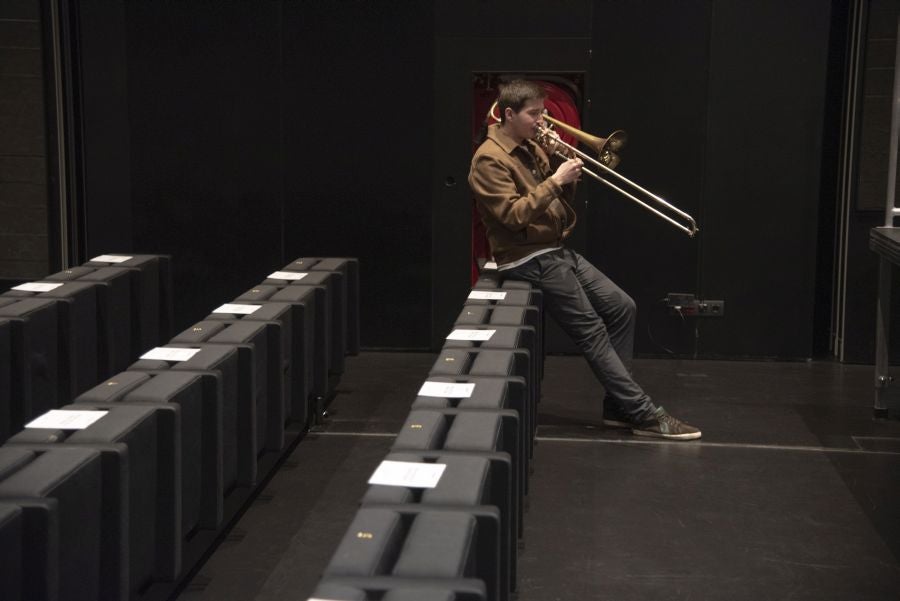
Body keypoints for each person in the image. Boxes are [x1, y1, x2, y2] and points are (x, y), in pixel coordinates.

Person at [468, 79, 701, 441]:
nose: (541, 120)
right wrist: (555, 181)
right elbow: (513, 216)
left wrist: (563, 163)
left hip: (554, 249)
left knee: (623, 307)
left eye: (543, 112)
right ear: (509, 114)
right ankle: (643, 414)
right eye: (534, 114)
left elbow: (559, 201)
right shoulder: (488, 158)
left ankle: (617, 407)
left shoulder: (530, 146)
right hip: (525, 257)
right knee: (591, 330)